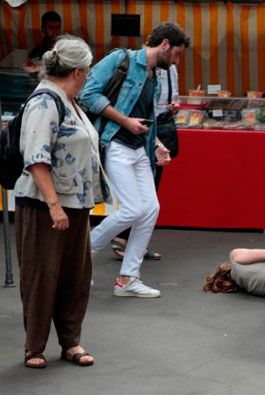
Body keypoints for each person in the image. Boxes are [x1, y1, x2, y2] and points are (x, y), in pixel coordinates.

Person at [14, 36, 108, 368]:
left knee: (75, 275)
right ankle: (34, 347)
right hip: (45, 204)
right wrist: (54, 205)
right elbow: (36, 159)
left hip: (76, 203)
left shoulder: (70, 101)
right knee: (42, 275)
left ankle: (71, 342)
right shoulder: (45, 101)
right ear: (79, 72)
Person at [79, 22, 189, 299]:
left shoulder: (154, 75)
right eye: (176, 54)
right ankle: (77, 261)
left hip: (139, 149)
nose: (176, 60)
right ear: (164, 44)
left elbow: (145, 116)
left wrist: (157, 145)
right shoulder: (121, 59)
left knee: (150, 209)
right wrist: (125, 121)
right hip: (115, 143)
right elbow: (88, 93)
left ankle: (128, 277)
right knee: (131, 210)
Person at [110, 63, 181, 261]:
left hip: (159, 125)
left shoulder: (170, 68)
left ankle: (135, 243)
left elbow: (172, 96)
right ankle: (119, 237)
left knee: (151, 191)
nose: (176, 58)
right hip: (143, 128)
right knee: (139, 195)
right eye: (176, 53)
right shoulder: (136, 66)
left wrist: (174, 106)